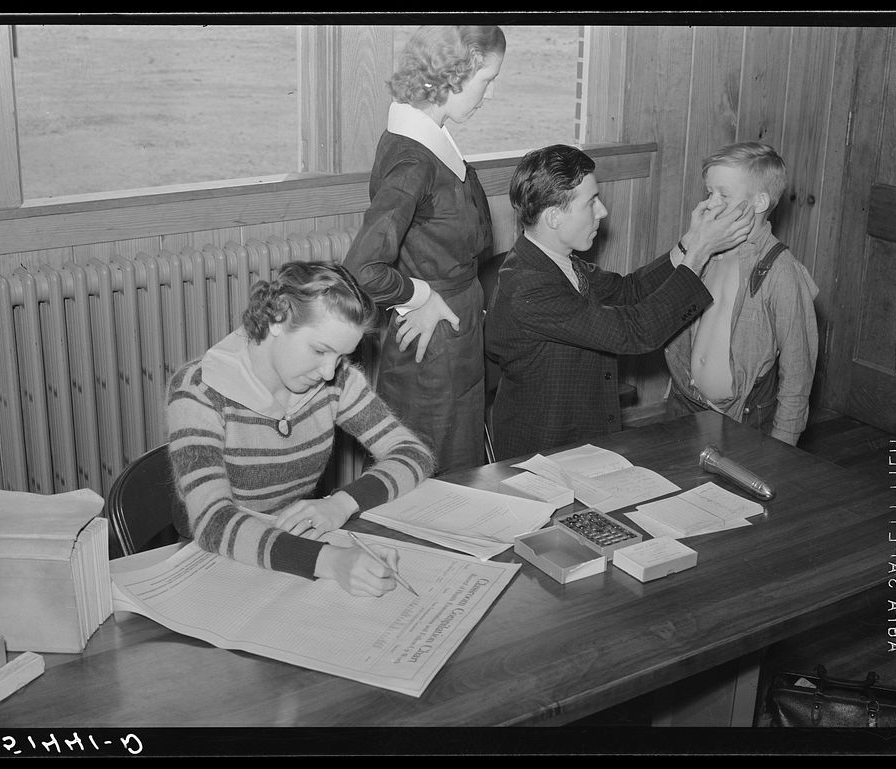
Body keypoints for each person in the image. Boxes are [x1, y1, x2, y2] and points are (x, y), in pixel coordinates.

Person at [166, 261, 435, 597]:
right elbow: (212, 521)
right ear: (278, 317)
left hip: (294, 547)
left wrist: (341, 504)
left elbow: (413, 454)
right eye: (320, 350)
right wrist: (332, 561)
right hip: (219, 564)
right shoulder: (199, 391)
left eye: (339, 357)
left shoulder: (337, 379)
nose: (327, 372)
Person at [484, 143, 756, 460]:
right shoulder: (528, 286)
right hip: (544, 454)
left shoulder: (557, 261)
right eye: (591, 202)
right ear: (555, 217)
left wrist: (690, 243)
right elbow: (634, 332)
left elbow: (629, 290)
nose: (603, 211)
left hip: (578, 440)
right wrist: (700, 255)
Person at [343, 25, 505, 475]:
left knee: (459, 466)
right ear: (458, 72)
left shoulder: (430, 137)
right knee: (434, 476)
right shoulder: (413, 157)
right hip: (433, 344)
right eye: (487, 80)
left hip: (455, 330)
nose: (488, 95)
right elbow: (362, 269)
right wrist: (422, 296)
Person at [664, 142, 819, 445]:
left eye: (723, 194)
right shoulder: (707, 251)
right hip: (686, 402)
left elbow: (798, 370)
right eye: (709, 193)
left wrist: (783, 444)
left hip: (741, 417)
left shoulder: (781, 271)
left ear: (759, 202)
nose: (710, 203)